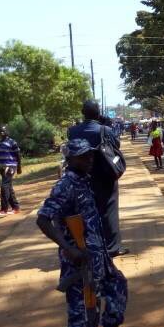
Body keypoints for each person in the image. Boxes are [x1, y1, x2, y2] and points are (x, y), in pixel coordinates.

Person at [36, 139, 129, 327]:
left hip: (98, 254)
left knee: (117, 286)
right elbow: (43, 219)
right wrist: (69, 248)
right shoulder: (65, 185)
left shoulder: (84, 181)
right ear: (71, 159)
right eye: (83, 156)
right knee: (84, 306)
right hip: (79, 259)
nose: (89, 160)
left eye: (91, 156)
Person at [68, 100, 128, 256]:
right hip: (105, 175)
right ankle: (112, 248)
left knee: (85, 211)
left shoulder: (72, 131)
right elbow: (116, 146)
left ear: (83, 112)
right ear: (99, 112)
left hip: (81, 177)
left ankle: (89, 245)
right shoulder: (105, 130)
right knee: (109, 210)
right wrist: (106, 125)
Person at [0, 126, 22, 218]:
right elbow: (0, 157)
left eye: (3, 131)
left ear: (7, 132)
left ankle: (4, 209)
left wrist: (19, 167)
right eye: (0, 131)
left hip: (10, 167)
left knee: (4, 187)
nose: (2, 133)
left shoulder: (12, 142)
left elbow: (18, 155)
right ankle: (15, 208)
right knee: (9, 187)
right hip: (3, 167)